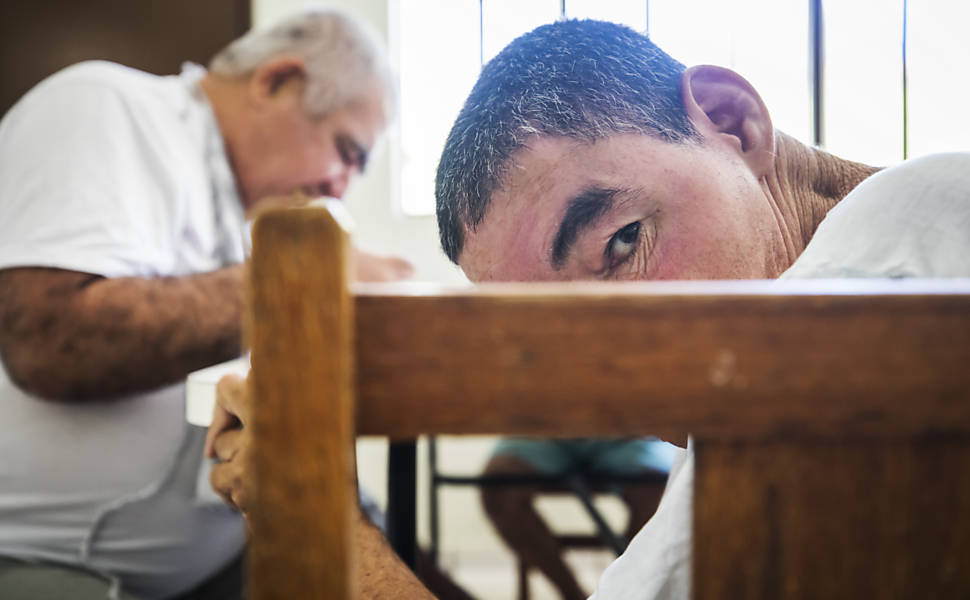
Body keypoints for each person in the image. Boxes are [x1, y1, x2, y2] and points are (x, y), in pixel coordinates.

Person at [206, 18, 970, 600]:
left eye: (622, 242)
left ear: (732, 120)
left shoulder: (889, 259)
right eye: (550, 337)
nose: (617, 374)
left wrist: (308, 514)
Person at [0, 8, 405, 600]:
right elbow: (48, 337)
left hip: (213, 560)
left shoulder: (237, 210)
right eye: (346, 151)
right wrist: (307, 282)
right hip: (50, 563)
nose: (341, 186)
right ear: (277, 80)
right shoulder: (106, 108)